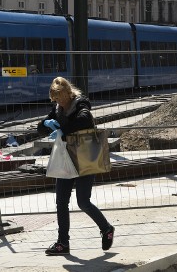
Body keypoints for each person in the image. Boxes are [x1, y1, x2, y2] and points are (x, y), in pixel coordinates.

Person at [36, 76, 115, 256]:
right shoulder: (57, 108)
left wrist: (63, 130)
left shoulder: (80, 103)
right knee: (61, 202)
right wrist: (44, 124)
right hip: (65, 158)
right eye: (55, 100)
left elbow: (84, 120)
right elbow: (40, 127)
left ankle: (107, 229)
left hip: (84, 157)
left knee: (83, 201)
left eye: (60, 99)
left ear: (67, 94)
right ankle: (62, 243)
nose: (58, 103)